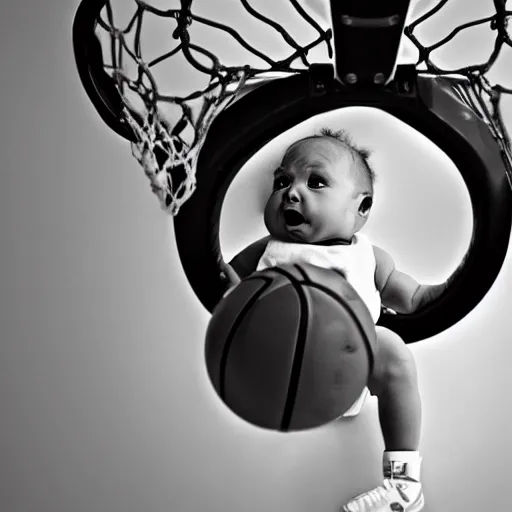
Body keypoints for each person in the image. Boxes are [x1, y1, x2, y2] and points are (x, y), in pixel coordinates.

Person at [220, 127, 450, 512]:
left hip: (342, 371)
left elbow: (411, 298)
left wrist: (458, 285)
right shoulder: (271, 249)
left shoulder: (369, 256)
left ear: (361, 209)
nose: (291, 192)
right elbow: (222, 277)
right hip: (278, 373)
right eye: (282, 181)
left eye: (316, 181)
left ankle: (403, 483)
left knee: (390, 347)